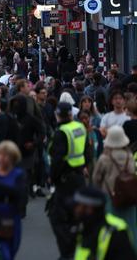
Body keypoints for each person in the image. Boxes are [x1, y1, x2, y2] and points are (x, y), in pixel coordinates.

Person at [48, 102, 91, 260]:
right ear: (71, 114)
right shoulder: (79, 127)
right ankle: (76, 250)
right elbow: (88, 150)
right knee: (77, 216)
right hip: (79, 176)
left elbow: (57, 160)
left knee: (58, 218)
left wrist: (52, 178)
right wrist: (84, 166)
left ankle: (68, 253)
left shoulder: (61, 132)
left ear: (58, 115)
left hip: (65, 179)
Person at [92, 126, 137, 248]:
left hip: (110, 197)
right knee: (131, 227)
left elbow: (96, 179)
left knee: (111, 228)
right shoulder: (129, 156)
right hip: (129, 197)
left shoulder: (104, 158)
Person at [73, 187, 137, 260]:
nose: (75, 210)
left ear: (89, 208)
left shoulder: (115, 233)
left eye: (77, 205)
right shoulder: (83, 227)